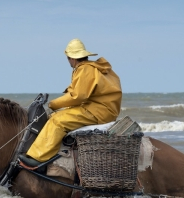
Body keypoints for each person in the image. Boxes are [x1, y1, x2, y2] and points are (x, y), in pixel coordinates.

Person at [19, 39, 122, 168]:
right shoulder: (91, 68)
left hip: (98, 111)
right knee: (53, 117)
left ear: (72, 58)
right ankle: (47, 150)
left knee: (57, 122)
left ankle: (38, 158)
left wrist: (54, 104)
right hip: (99, 109)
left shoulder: (85, 69)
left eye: (68, 58)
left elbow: (78, 96)